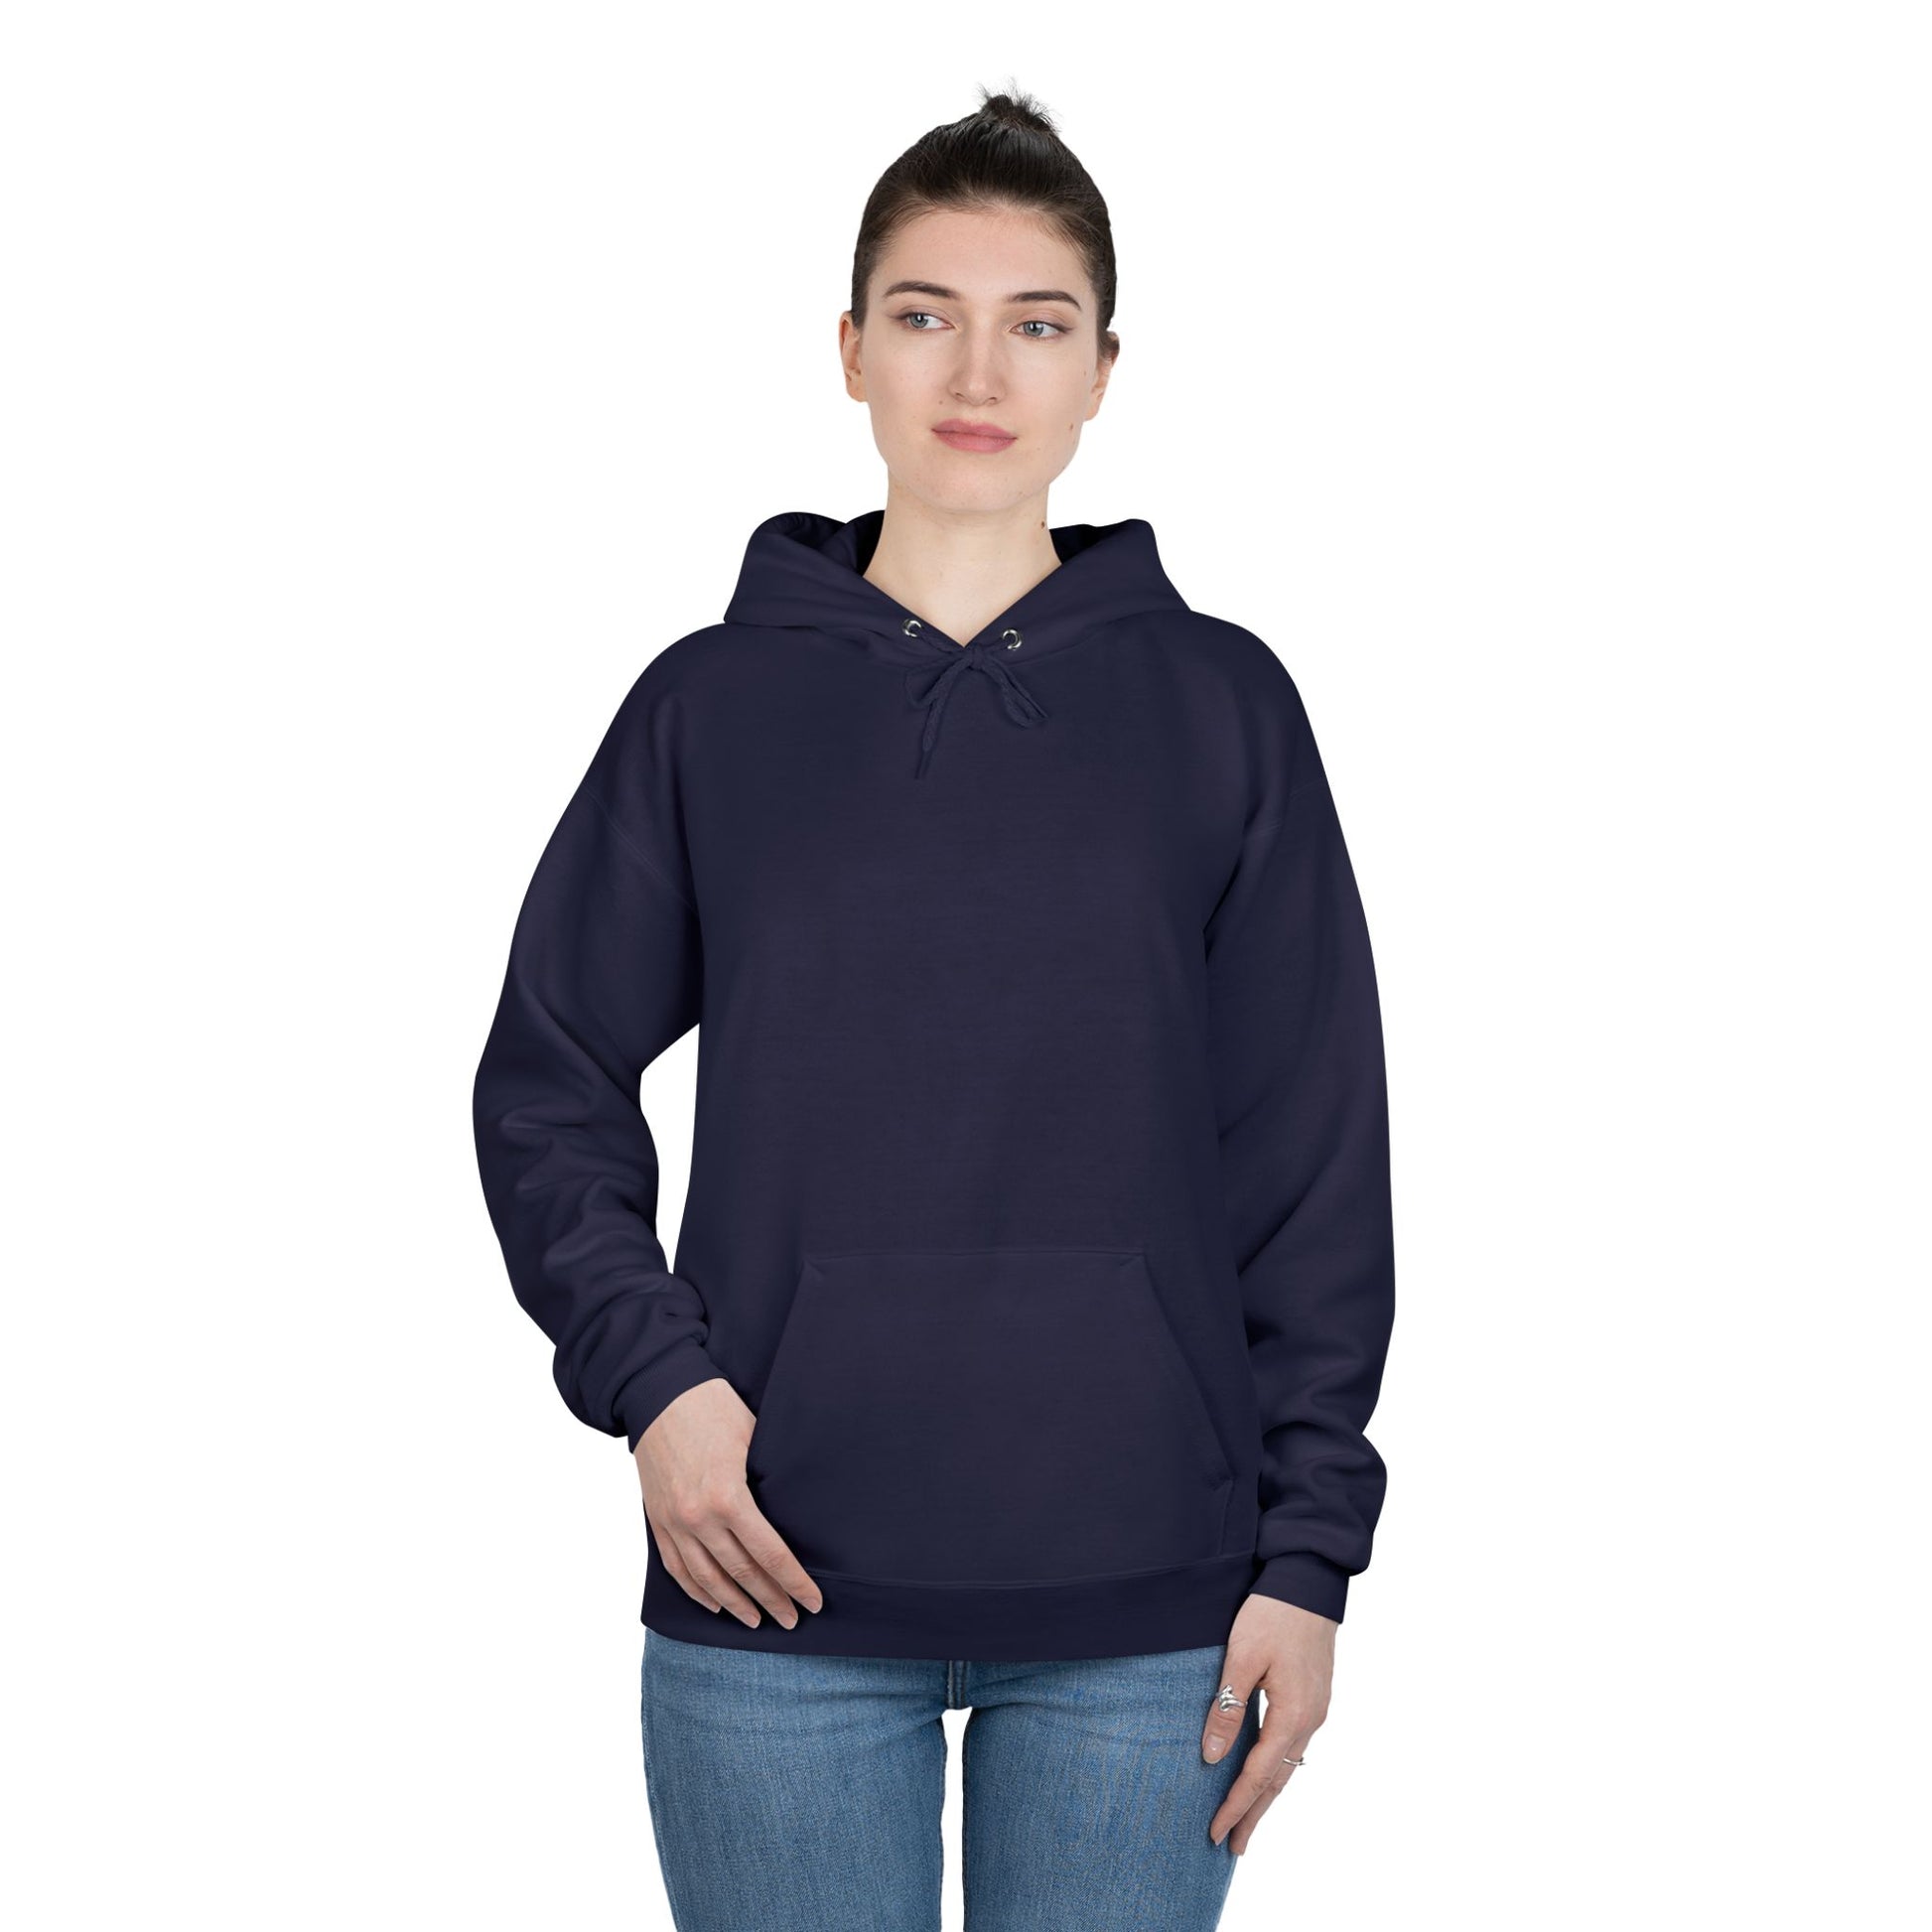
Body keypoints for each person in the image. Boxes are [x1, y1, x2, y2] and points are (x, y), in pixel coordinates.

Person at [472, 85, 1396, 1932]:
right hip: (767, 1583)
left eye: (1035, 322)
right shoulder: (709, 707)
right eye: (924, 313)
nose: (978, 371)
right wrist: (658, 1387)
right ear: (849, 350)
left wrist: (1310, 1555)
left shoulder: (1220, 707)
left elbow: (1308, 1155)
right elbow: (548, 1078)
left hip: (1153, 1607)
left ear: (1102, 370)